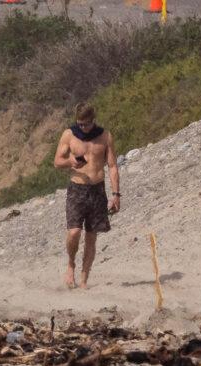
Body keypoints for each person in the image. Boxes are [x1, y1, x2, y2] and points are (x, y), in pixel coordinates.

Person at [53, 103, 120, 289]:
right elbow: (57, 161)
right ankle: (71, 264)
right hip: (77, 189)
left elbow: (113, 166)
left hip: (98, 190)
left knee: (91, 237)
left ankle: (83, 280)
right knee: (74, 232)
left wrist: (116, 194)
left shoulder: (105, 136)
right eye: (80, 124)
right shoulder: (70, 135)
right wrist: (70, 161)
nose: (83, 128)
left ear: (93, 120)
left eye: (87, 124)